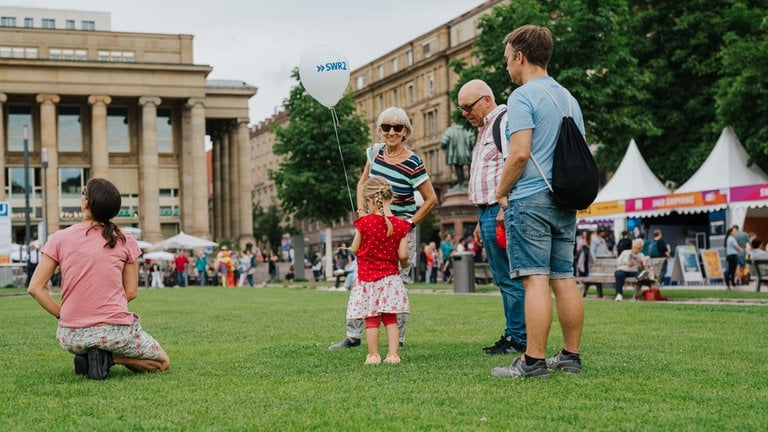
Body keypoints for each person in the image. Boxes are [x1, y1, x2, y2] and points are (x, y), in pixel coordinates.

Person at [492, 25, 584, 378]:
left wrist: (501, 192)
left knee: (534, 279)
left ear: (520, 57)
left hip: (530, 200)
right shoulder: (568, 99)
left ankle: (532, 361)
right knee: (564, 277)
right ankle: (570, 356)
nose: (507, 67)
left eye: (507, 60)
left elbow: (519, 154)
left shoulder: (521, 97)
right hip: (563, 200)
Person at [27, 178, 170, 380]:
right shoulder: (124, 238)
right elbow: (131, 292)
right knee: (162, 362)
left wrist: (63, 314)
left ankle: (89, 355)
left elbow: (35, 288)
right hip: (114, 333)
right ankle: (110, 358)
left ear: (86, 202)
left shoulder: (59, 238)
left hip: (71, 336)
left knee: (87, 339)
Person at [330, 106, 437, 349]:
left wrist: (409, 223)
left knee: (396, 282)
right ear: (380, 130)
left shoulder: (413, 162)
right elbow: (362, 183)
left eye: (397, 128)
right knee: (363, 278)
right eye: (386, 127)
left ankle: (396, 340)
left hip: (398, 231)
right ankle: (353, 335)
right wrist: (361, 214)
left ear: (405, 131)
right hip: (373, 228)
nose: (391, 132)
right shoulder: (375, 153)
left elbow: (431, 199)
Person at [460, 78, 527, 355]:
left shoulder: (503, 122)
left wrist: (502, 207)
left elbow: (515, 163)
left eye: (468, 107)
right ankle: (514, 333)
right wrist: (481, 217)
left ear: (487, 100)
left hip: (501, 210)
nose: (465, 114)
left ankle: (519, 337)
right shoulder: (485, 128)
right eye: (461, 109)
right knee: (503, 276)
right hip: (488, 211)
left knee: (511, 277)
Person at [347, 176, 411, 365]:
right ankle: (393, 355)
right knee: (391, 318)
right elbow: (404, 255)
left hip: (368, 280)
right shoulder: (402, 225)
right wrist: (405, 266)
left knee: (372, 319)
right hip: (390, 280)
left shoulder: (364, 223)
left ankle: (373, 355)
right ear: (390, 198)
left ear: (370, 200)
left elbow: (354, 248)